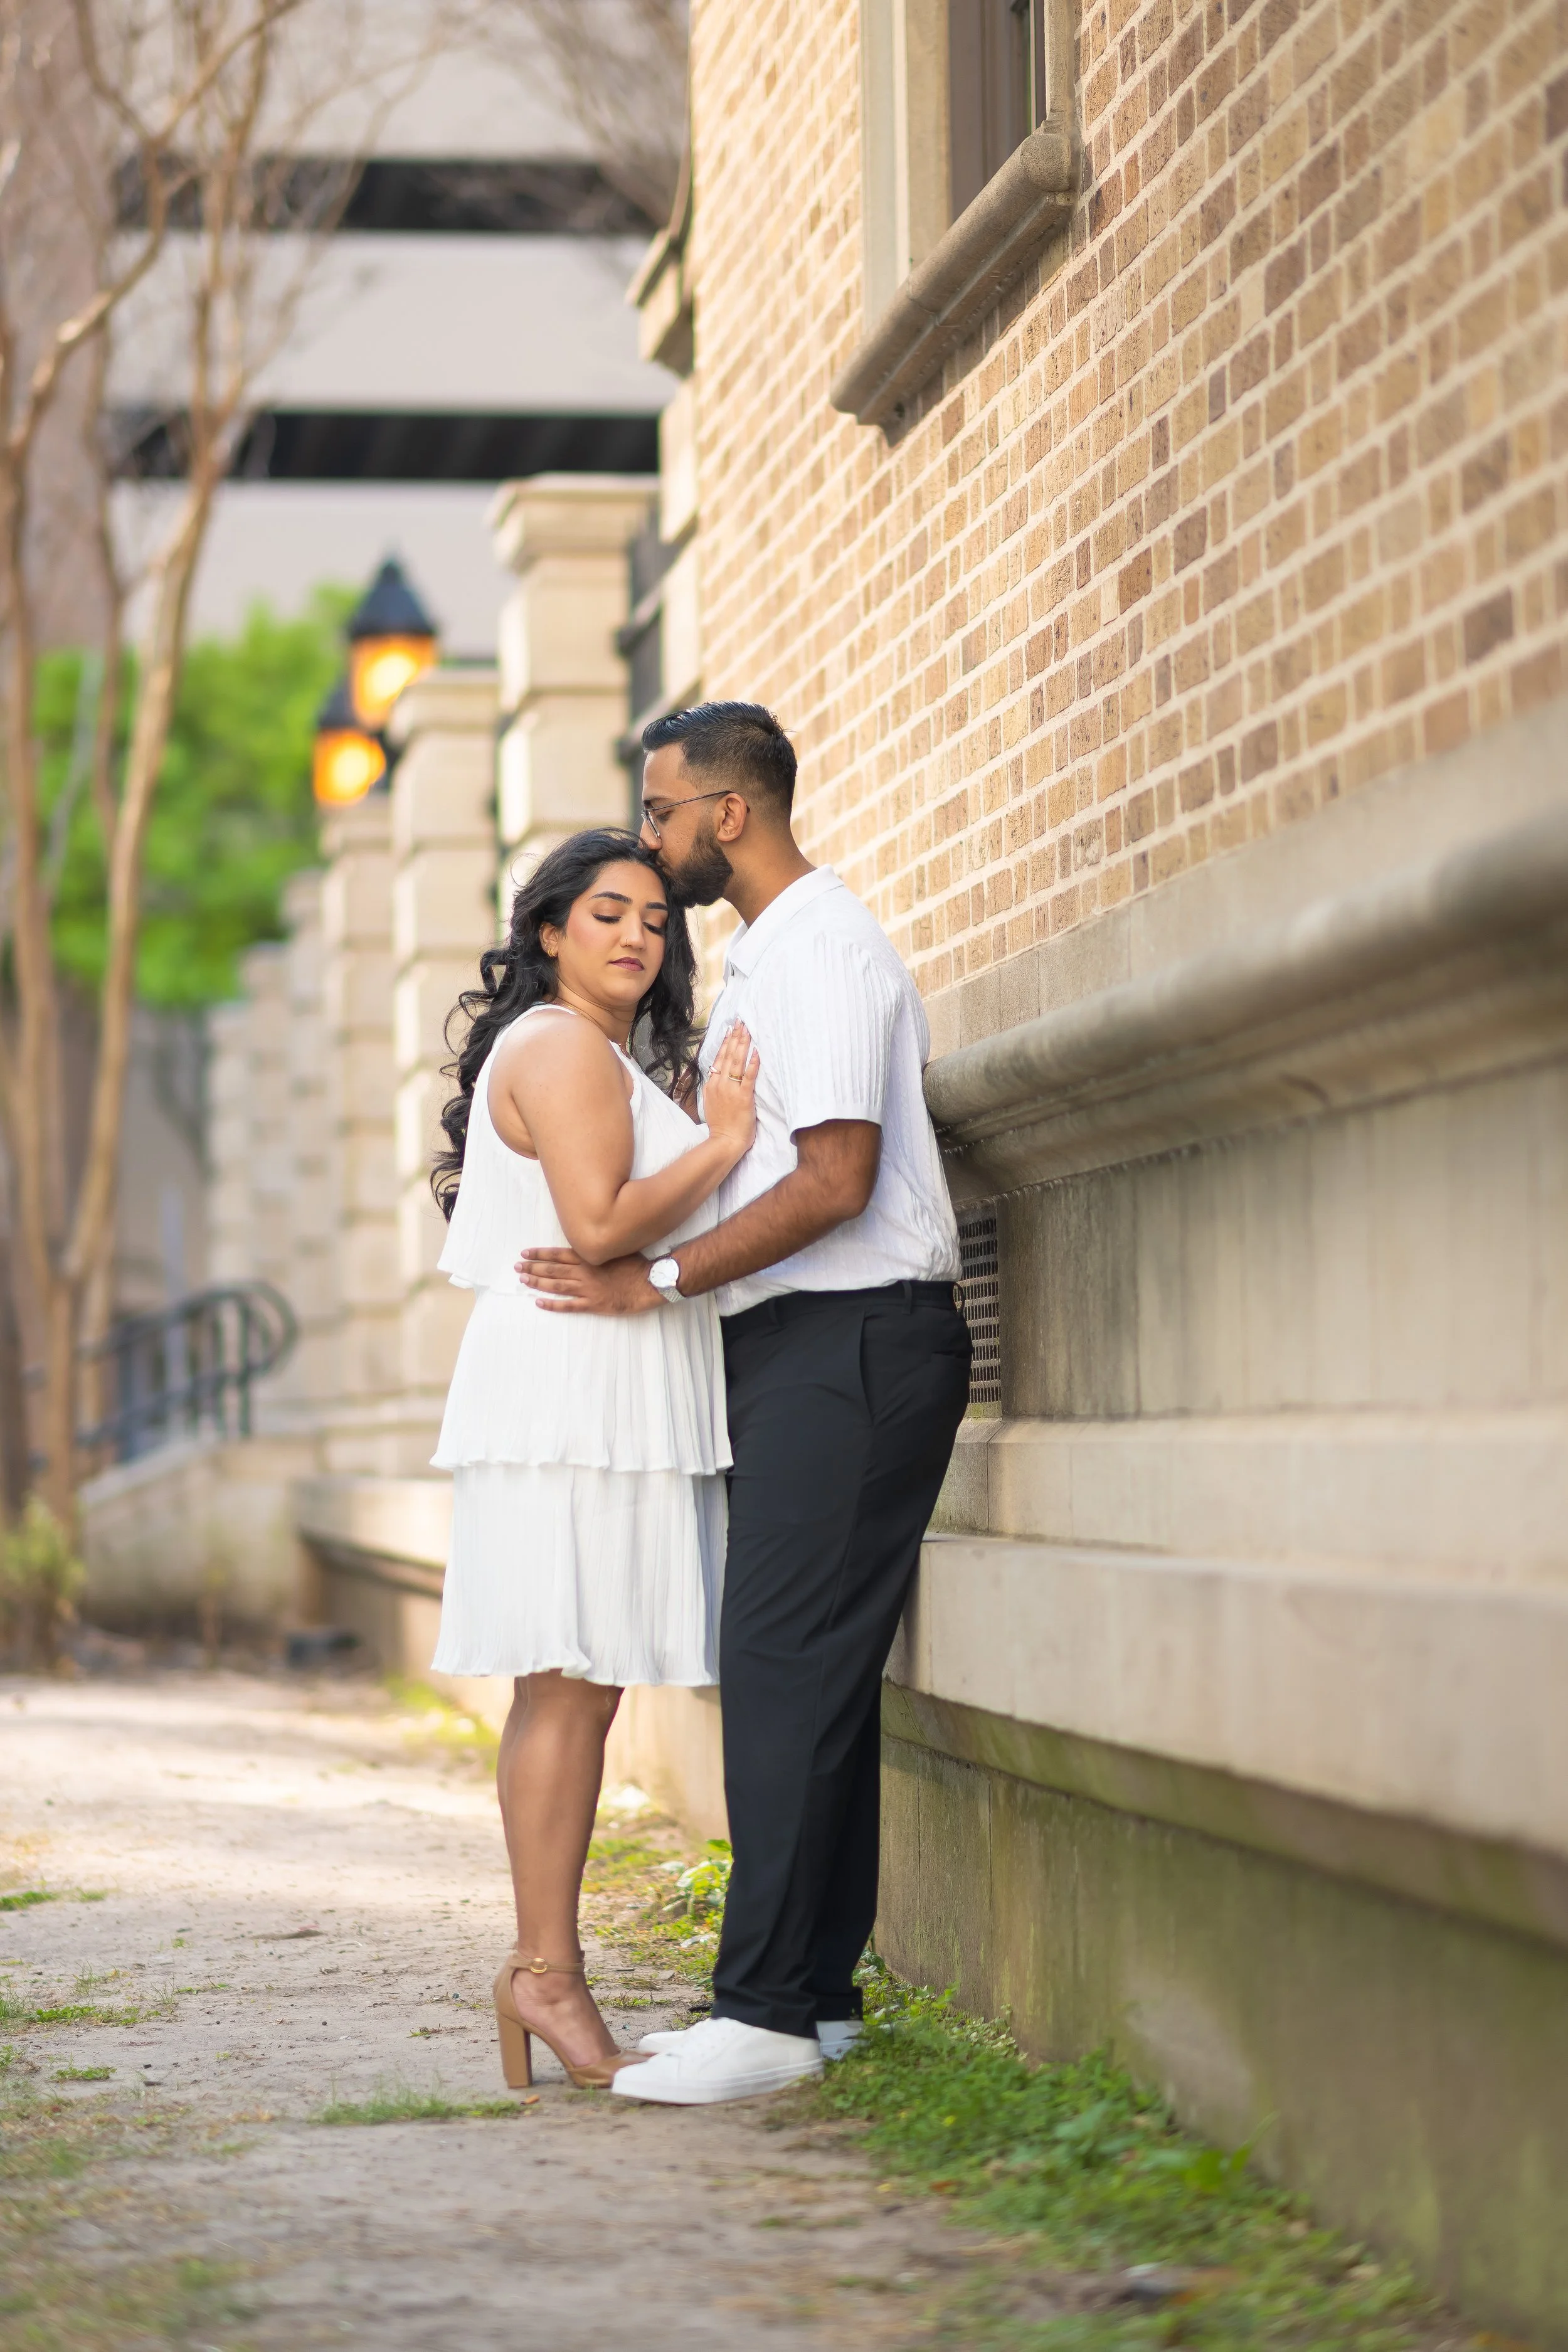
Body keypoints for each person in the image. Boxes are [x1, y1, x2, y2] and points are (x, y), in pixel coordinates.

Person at [517, 703, 970, 2107]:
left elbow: (836, 1180)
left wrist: (658, 1277)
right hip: (809, 1353)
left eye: (659, 813)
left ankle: (762, 2012)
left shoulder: (820, 950)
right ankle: (817, 2000)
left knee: (775, 1673)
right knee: (811, 1681)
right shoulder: (770, 955)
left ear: (726, 814)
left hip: (850, 1346)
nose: (648, 840)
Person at [429, 827, 759, 2092]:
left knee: (575, 1685)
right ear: (550, 930)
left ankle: (540, 1969)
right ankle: (542, 1972)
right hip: (573, 1386)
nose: (635, 935)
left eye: (656, 920)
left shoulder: (588, 1048)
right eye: (606, 912)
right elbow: (600, 1223)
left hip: (591, 1378)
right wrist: (723, 1141)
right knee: (569, 1683)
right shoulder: (563, 1044)